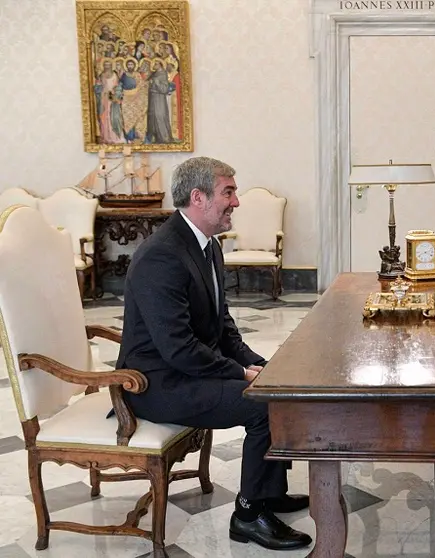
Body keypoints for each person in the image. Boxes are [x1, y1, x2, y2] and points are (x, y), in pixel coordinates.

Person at [116, 157, 312, 551]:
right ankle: (248, 516)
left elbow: (223, 328)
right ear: (198, 197)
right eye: (229, 192)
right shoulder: (161, 255)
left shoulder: (208, 246)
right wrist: (241, 375)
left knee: (276, 386)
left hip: (185, 369)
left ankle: (269, 494)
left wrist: (259, 364)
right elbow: (179, 349)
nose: (236, 202)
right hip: (156, 384)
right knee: (262, 406)